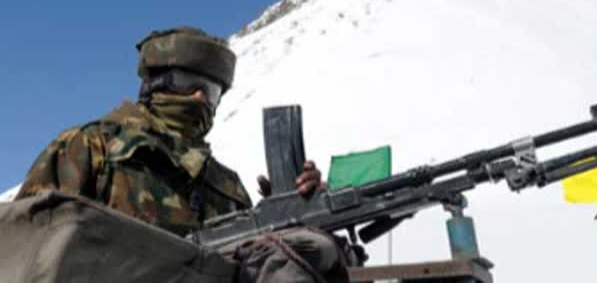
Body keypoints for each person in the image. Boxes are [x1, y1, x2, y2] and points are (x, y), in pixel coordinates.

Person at [15, 27, 348, 282]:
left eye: (213, 90)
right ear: (155, 83)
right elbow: (23, 250)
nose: (202, 97)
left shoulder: (226, 187)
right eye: (190, 81)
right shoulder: (91, 148)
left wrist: (292, 218)